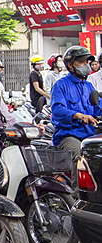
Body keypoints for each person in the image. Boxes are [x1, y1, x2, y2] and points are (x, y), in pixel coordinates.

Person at [51, 46, 102, 191]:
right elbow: (57, 109)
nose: (86, 65)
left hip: (89, 134)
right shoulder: (61, 85)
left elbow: (99, 106)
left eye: (87, 61)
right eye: (81, 62)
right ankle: (78, 197)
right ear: (70, 65)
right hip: (68, 135)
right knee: (81, 155)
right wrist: (77, 115)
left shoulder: (89, 86)